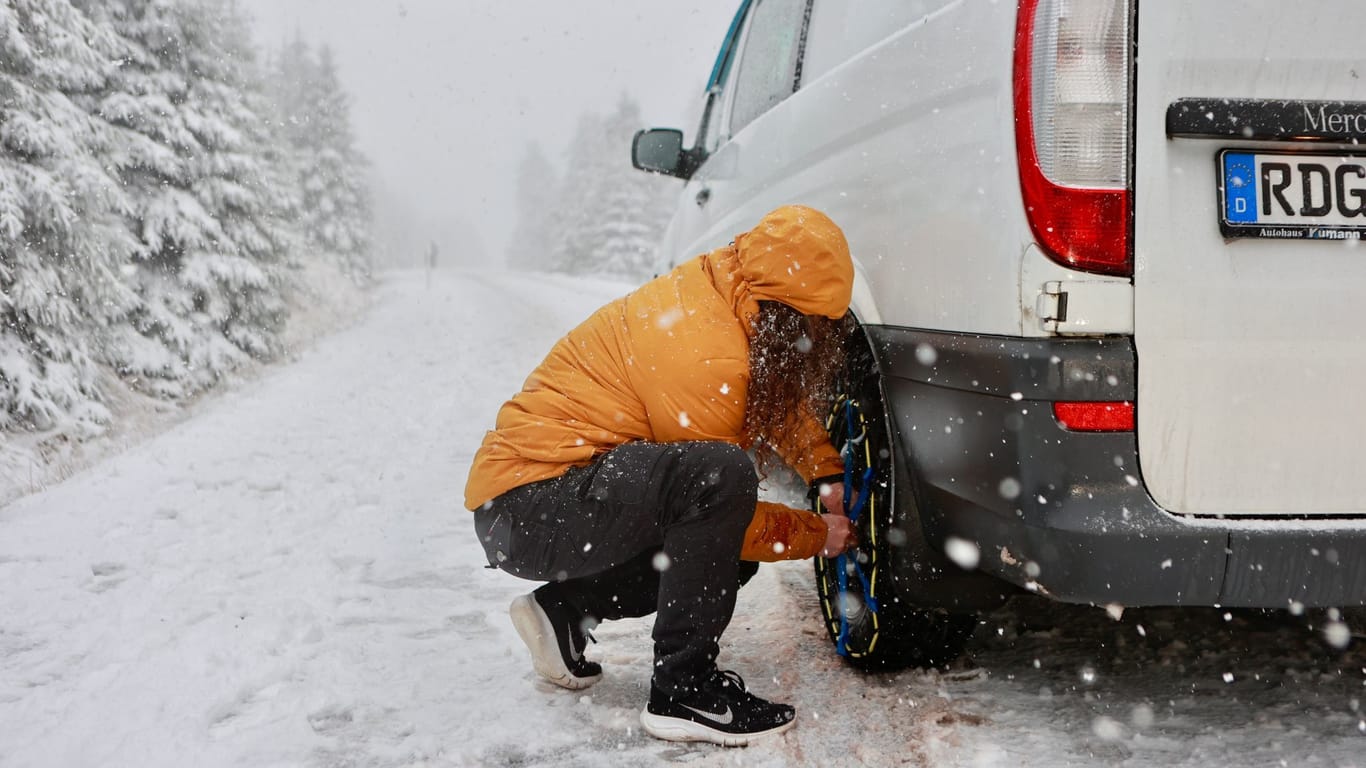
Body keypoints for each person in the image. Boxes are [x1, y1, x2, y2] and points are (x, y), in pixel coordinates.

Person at [466, 205, 859, 747]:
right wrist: (818, 534)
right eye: (814, 330)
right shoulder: (702, 352)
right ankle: (683, 691)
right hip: (529, 506)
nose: (817, 345)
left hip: (538, 502)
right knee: (723, 487)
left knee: (726, 552)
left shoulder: (727, 291)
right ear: (787, 318)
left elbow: (770, 395)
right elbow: (723, 507)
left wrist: (824, 472)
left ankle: (566, 611)